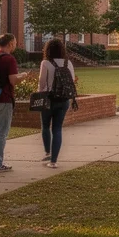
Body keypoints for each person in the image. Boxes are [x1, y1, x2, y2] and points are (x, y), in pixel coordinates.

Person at [0, 34, 34, 173]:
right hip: (3, 100)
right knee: (2, 132)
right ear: (9, 44)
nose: (16, 45)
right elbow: (13, 80)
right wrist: (24, 75)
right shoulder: (9, 59)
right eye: (15, 42)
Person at [38, 39, 77, 169]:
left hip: (48, 99)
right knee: (57, 129)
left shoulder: (46, 63)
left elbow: (42, 84)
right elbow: (71, 81)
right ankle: (54, 161)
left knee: (45, 125)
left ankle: (47, 152)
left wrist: (39, 95)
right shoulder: (68, 63)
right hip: (64, 100)